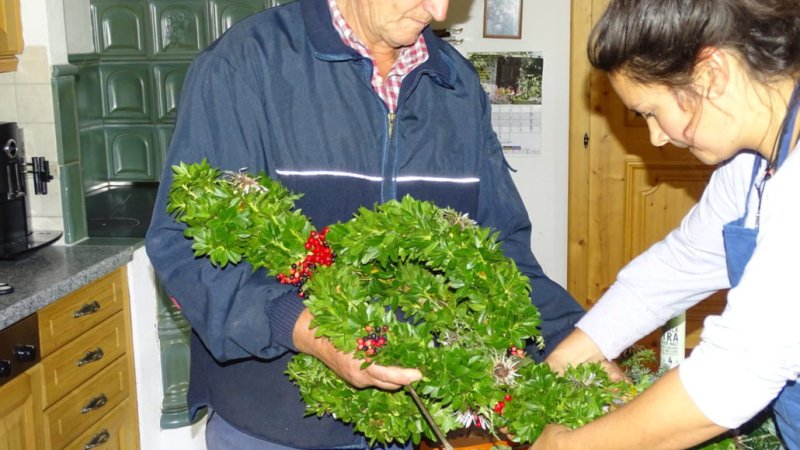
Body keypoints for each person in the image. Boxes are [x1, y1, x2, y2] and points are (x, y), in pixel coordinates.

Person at [145, 0, 586, 448]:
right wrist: (309, 330)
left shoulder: (456, 85)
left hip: (402, 421)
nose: (438, 11)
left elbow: (501, 251)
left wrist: (575, 342)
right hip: (273, 425)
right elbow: (182, 247)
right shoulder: (245, 64)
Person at [531, 0, 800, 449]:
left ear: (711, 74)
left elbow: (737, 371)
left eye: (652, 111)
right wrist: (571, 357)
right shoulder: (749, 167)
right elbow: (673, 271)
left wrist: (567, 446)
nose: (655, 137)